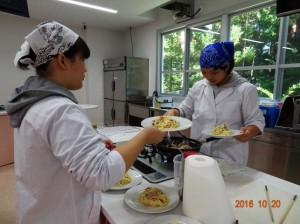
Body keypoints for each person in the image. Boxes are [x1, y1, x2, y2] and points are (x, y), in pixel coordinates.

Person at [5, 21, 165, 224]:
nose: (86, 68)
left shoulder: (34, 102)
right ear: (62, 60)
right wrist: (145, 135)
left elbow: (55, 151)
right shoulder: (60, 109)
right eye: (82, 59)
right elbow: (102, 174)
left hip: (39, 210)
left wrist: (93, 143)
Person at [164, 41, 265, 165]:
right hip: (198, 152)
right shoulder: (198, 86)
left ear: (227, 66)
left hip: (228, 156)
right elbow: (185, 110)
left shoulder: (245, 89)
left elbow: (256, 121)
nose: (209, 77)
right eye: (204, 72)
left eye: (214, 72)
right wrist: (173, 111)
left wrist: (250, 131)